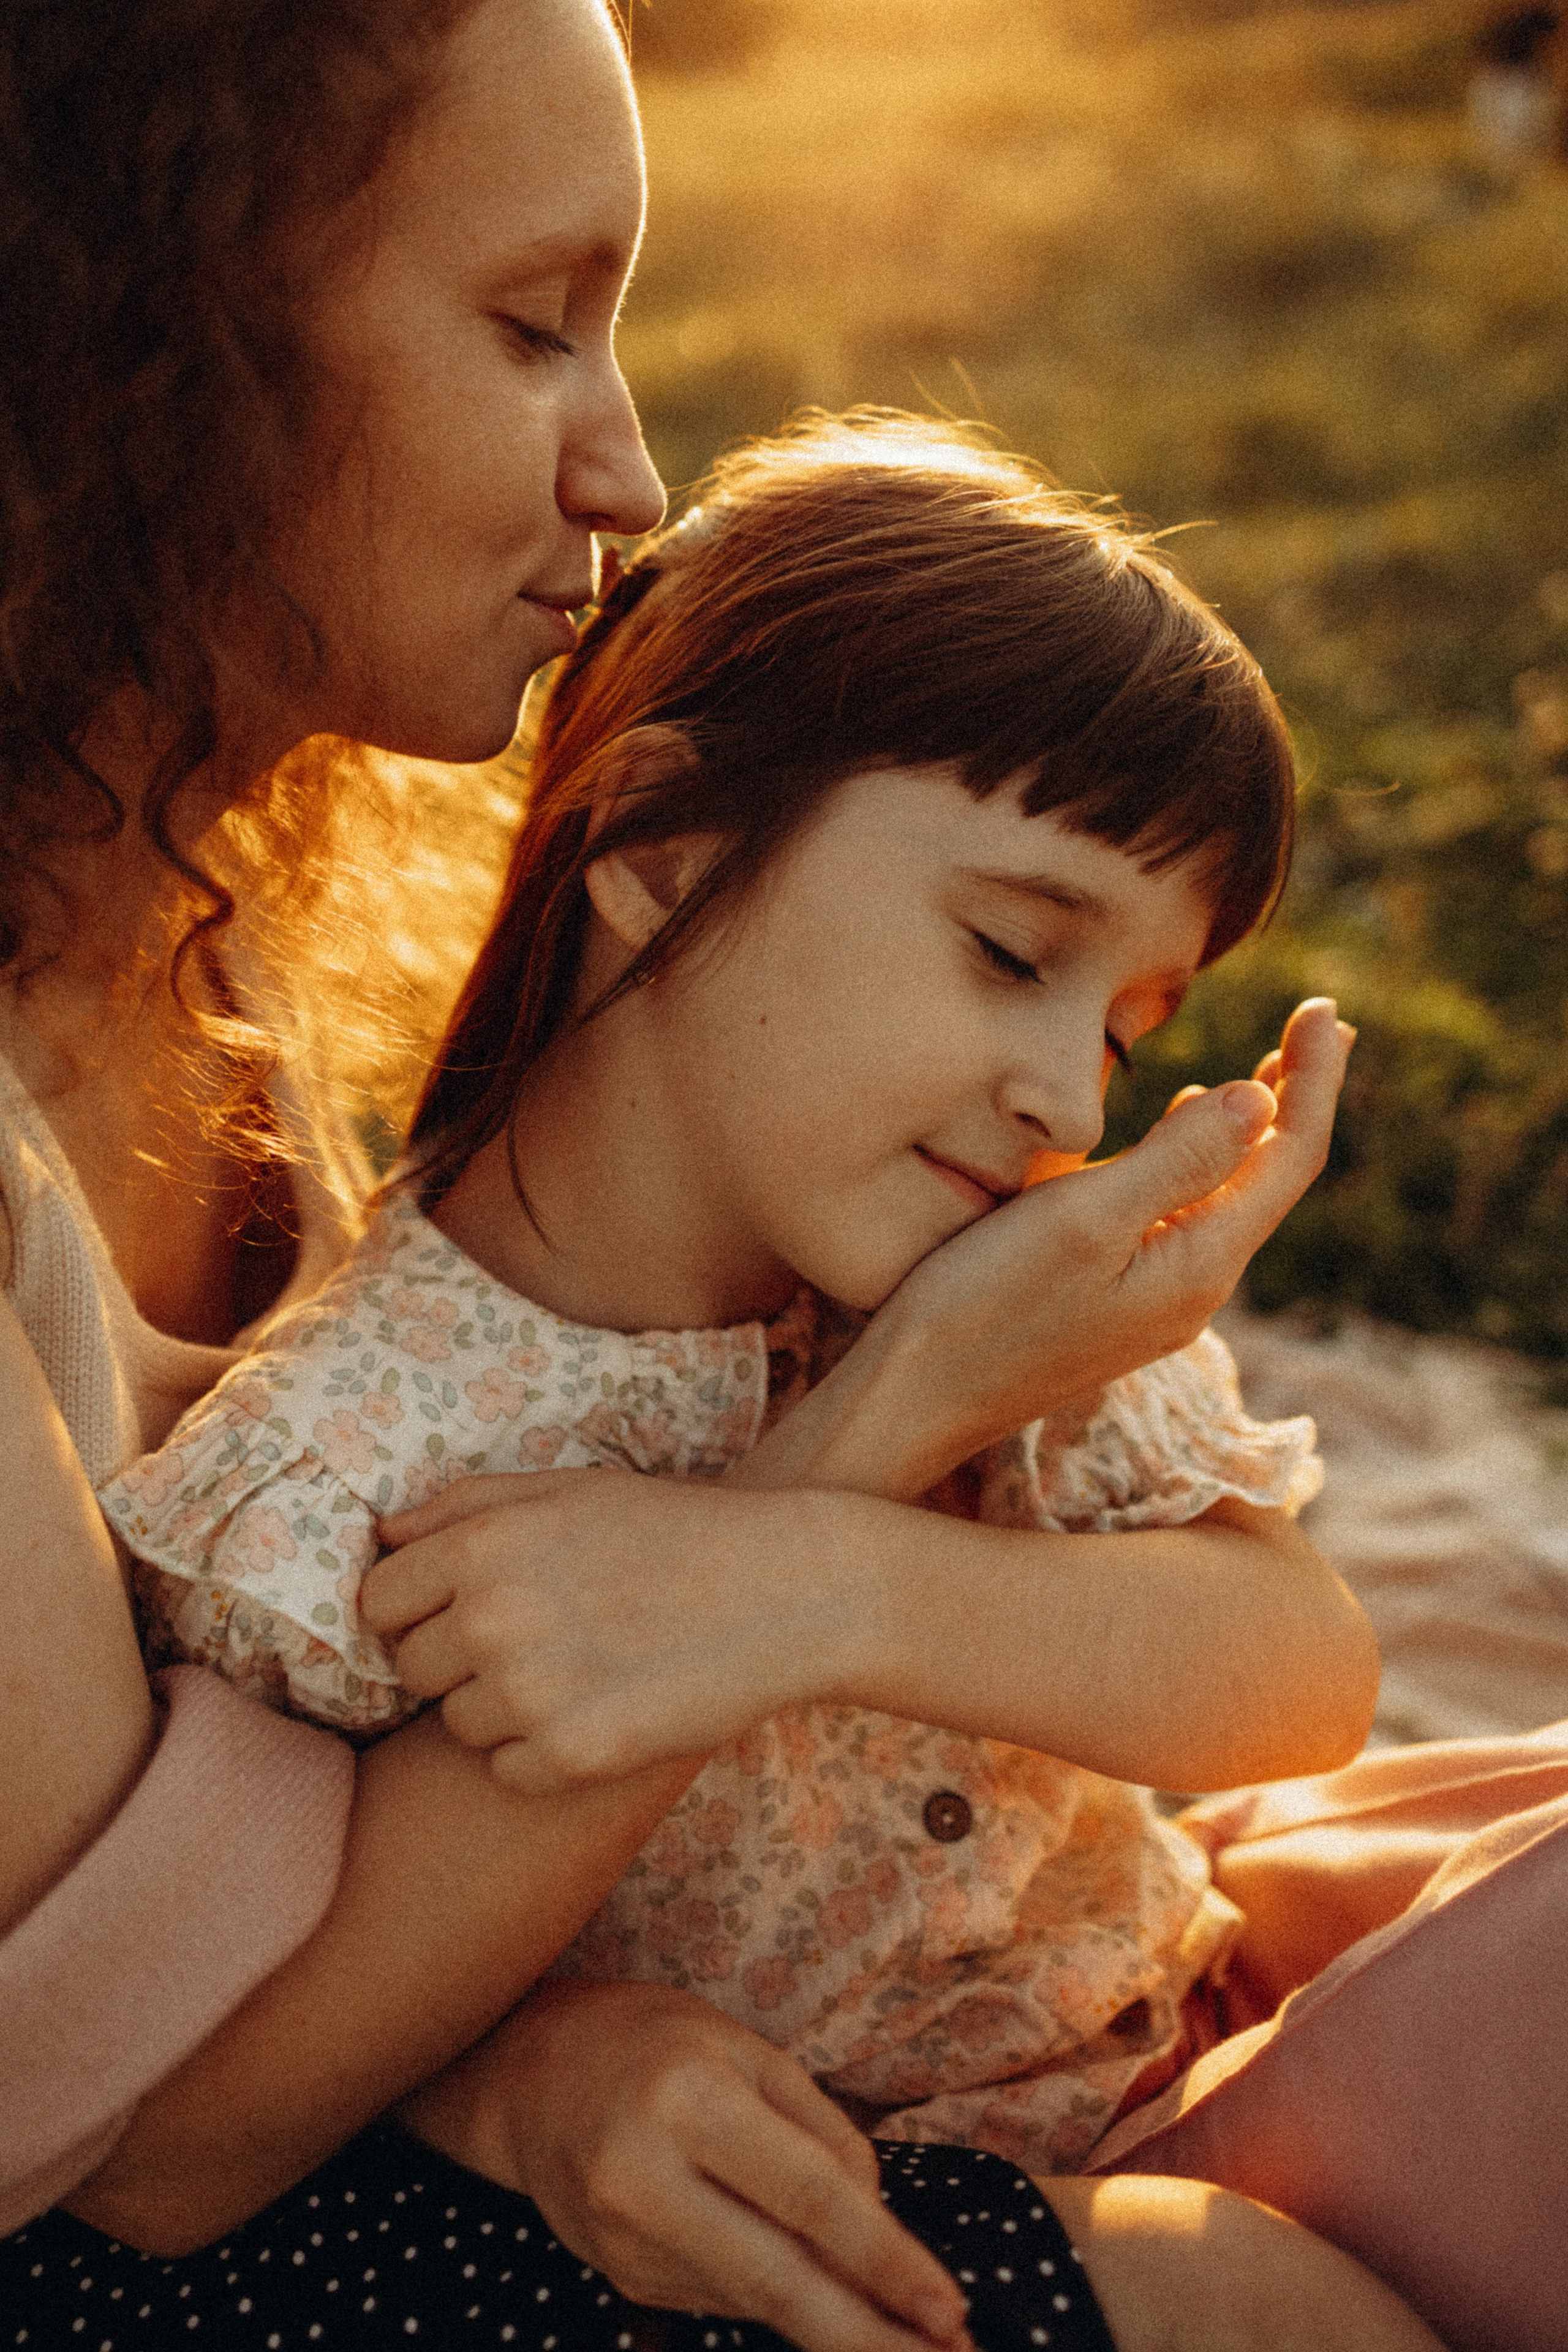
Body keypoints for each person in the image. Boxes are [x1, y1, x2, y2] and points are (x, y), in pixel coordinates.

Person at [0, 1, 1438, 2348]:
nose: (631, 471)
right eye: (531, 323)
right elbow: (125, 2125)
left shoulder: (210, 896)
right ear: (160, 327)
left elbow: (1290, 1664)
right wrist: (849, 1486)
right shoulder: (341, 1449)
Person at [99, 413, 1379, 2189]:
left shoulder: (986, 1288)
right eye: (1012, 954)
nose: (1071, 1108)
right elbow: (212, 2127)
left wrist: (820, 1588)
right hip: (827, 2218)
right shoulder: (343, 1464)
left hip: (1193, 2044)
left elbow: (1303, 1677)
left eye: (1121, 1030)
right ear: (667, 849)